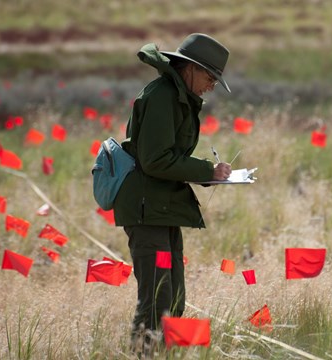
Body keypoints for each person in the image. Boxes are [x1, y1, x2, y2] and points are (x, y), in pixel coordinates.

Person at [113, 33, 232, 351]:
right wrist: (207, 171)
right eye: (210, 77)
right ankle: (144, 355)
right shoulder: (163, 97)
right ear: (190, 68)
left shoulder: (177, 96)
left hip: (162, 211)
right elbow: (155, 160)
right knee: (156, 300)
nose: (212, 86)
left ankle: (161, 354)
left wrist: (208, 175)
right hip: (147, 211)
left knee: (173, 296)